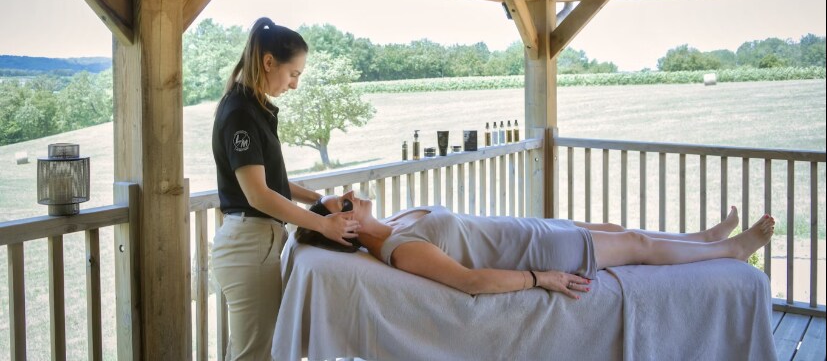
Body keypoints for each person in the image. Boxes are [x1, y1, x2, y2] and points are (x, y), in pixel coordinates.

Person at [211, 17, 361, 360]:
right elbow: (257, 195)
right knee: (255, 355)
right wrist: (323, 224)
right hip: (248, 247)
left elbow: (271, 183)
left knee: (259, 349)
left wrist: (321, 200)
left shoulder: (252, 108)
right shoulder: (240, 113)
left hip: (255, 245)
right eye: (293, 74)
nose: (294, 85)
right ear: (268, 62)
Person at [295, 191, 774, 297]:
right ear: (346, 228)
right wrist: (538, 279)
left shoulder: (398, 221)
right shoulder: (400, 251)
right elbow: (471, 281)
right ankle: (730, 251)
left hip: (530, 227)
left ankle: (704, 238)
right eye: (343, 204)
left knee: (614, 225)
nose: (350, 196)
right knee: (636, 243)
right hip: (536, 253)